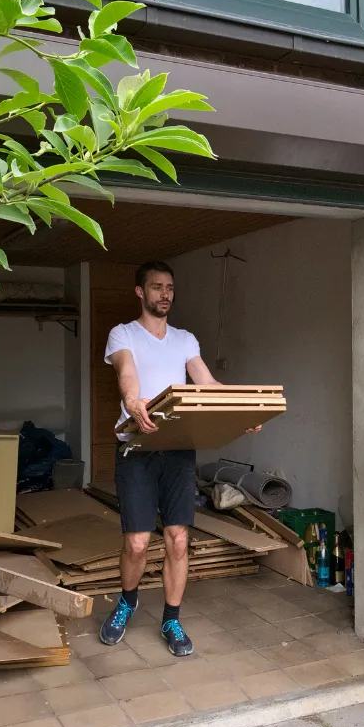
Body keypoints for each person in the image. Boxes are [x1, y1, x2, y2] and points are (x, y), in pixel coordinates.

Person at [100, 260, 254, 656]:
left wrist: (245, 411)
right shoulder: (123, 334)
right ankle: (127, 602)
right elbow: (127, 376)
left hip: (177, 448)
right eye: (156, 287)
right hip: (136, 446)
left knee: (179, 538)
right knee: (136, 543)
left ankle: (171, 618)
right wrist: (133, 403)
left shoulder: (185, 339)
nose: (164, 294)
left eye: (169, 287)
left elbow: (208, 384)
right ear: (140, 292)